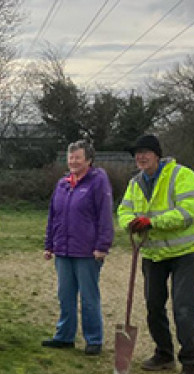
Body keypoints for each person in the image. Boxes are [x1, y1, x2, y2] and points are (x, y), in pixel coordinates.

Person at [117, 134, 194, 374]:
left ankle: (191, 364)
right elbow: (124, 210)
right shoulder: (136, 183)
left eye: (145, 152)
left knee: (183, 308)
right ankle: (164, 353)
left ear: (157, 154)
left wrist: (153, 222)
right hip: (153, 254)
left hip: (184, 252)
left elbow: (190, 209)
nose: (140, 157)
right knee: (154, 306)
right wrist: (130, 224)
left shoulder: (181, 175)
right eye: (137, 154)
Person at [42, 139, 114, 355]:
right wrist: (49, 244)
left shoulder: (98, 181)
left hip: (87, 251)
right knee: (65, 295)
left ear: (88, 160)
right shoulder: (62, 183)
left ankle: (93, 339)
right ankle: (64, 336)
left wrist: (102, 245)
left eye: (77, 157)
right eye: (70, 157)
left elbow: (104, 215)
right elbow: (53, 215)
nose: (73, 161)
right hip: (63, 250)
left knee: (89, 297)